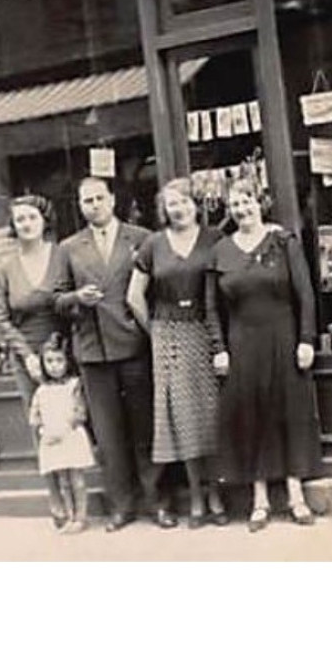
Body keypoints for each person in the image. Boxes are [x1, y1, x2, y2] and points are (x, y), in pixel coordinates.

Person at [53, 175, 167, 532]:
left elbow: (157, 291)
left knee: (145, 428)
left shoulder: (142, 238)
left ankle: (158, 502)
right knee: (109, 433)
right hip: (94, 350)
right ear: (80, 206)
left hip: (134, 345)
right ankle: (122, 505)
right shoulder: (69, 248)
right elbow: (56, 298)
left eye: (100, 198)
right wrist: (76, 299)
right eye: (87, 201)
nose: (94, 206)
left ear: (113, 200)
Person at [210, 178, 323, 531]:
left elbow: (305, 293)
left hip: (283, 334)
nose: (242, 210)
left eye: (247, 202)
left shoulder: (282, 241)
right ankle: (259, 500)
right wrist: (219, 349)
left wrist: (306, 338)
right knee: (251, 414)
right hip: (242, 339)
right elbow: (212, 307)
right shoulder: (222, 250)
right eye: (235, 205)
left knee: (289, 411)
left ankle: (295, 495)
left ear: (261, 203)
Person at [127, 177, 228, 529]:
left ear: (195, 204)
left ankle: (216, 492)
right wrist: (153, 329)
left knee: (211, 415)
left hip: (206, 332)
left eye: (184, 201)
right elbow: (133, 295)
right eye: (171, 204)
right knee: (182, 417)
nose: (178, 209)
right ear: (163, 210)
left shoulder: (214, 238)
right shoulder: (154, 244)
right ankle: (197, 498)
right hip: (169, 336)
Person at [0, 194, 72, 525]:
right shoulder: (6, 270)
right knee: (42, 425)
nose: (26, 225)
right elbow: (1, 319)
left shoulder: (61, 256)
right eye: (20, 220)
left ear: (44, 221)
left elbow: (71, 300)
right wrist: (27, 356)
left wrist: (61, 348)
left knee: (71, 419)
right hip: (26, 355)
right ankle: (55, 496)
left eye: (31, 218)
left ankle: (77, 491)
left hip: (64, 349)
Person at [28, 333, 95, 535]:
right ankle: (69, 515)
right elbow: (34, 417)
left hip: (70, 436)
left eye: (59, 360)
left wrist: (67, 425)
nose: (54, 366)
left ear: (67, 362)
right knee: (63, 482)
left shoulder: (73, 386)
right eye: (49, 361)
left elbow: (81, 413)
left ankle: (81, 517)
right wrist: (44, 430)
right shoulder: (41, 391)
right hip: (52, 439)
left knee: (77, 479)